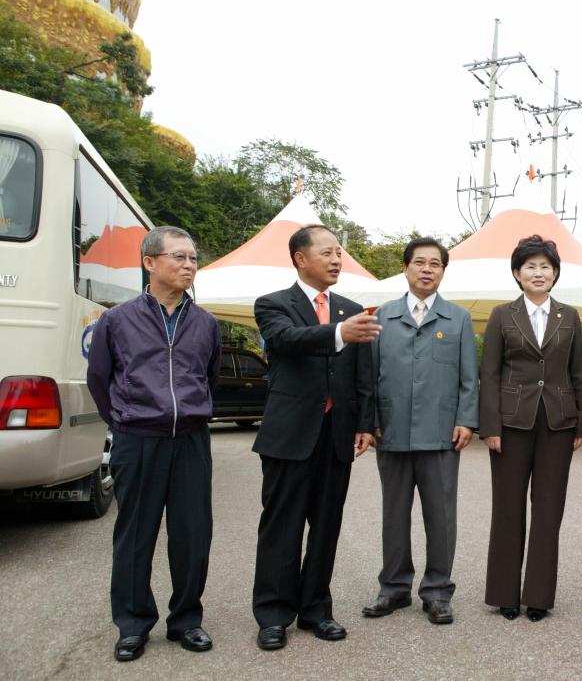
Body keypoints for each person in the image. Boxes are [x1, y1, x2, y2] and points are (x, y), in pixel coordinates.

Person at [87, 226, 222, 662]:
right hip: (137, 439)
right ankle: (132, 624)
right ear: (150, 262)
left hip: (190, 442)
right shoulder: (117, 320)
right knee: (135, 535)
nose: (189, 265)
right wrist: (125, 420)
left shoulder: (206, 323)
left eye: (193, 258)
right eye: (179, 257)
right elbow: (99, 379)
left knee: (192, 534)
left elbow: (210, 377)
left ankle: (186, 620)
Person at [250, 224, 380, 651]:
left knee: (326, 526)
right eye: (326, 252)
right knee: (281, 526)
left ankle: (316, 610)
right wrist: (340, 334)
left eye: (339, 252)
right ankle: (273, 614)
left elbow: (364, 377)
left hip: (336, 433)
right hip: (290, 434)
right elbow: (287, 341)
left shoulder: (350, 308)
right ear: (300, 258)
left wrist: (364, 424)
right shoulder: (273, 305)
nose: (337, 259)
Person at [362, 237, 479, 625]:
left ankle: (438, 591)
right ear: (406, 267)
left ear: (443, 271)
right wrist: (371, 419)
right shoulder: (382, 315)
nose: (427, 269)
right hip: (391, 431)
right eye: (420, 263)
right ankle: (393, 588)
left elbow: (468, 378)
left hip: (442, 433)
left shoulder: (458, 318)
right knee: (393, 514)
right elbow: (371, 378)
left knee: (441, 516)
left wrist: (466, 419)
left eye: (436, 264)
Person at [479, 235, 582, 623]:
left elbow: (580, 372)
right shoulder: (501, 316)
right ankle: (505, 593)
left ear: (556, 273)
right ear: (517, 273)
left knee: (548, 510)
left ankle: (539, 596)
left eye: (546, 266)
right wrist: (490, 426)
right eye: (530, 266)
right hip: (511, 423)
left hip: (558, 423)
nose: (538, 273)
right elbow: (489, 374)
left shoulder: (570, 316)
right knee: (508, 509)